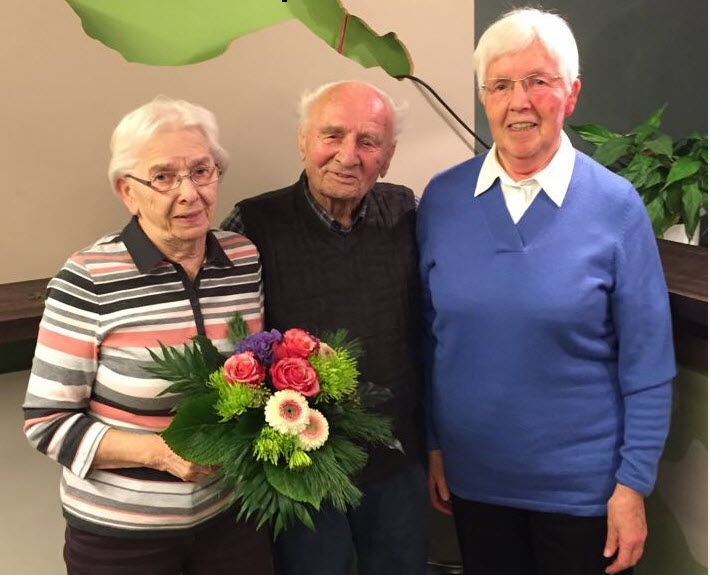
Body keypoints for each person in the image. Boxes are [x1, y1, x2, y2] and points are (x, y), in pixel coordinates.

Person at [417, 8, 675, 575]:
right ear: (485, 96)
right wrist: (436, 443)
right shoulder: (441, 201)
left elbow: (648, 366)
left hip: (584, 495)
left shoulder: (616, 207)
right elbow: (433, 338)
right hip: (475, 483)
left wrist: (632, 486)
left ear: (572, 93)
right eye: (502, 84)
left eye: (539, 81)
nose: (520, 102)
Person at [22, 96, 272, 575]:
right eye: (163, 177)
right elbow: (46, 423)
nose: (190, 193)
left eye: (202, 170)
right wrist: (161, 454)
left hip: (233, 521)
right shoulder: (89, 277)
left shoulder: (243, 260)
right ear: (127, 191)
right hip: (122, 540)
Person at [221, 80, 428, 575]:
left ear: (389, 155)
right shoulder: (252, 224)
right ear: (302, 141)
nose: (347, 156)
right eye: (331, 136)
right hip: (300, 471)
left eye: (368, 141)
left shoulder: (407, 212)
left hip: (397, 462)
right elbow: (228, 350)